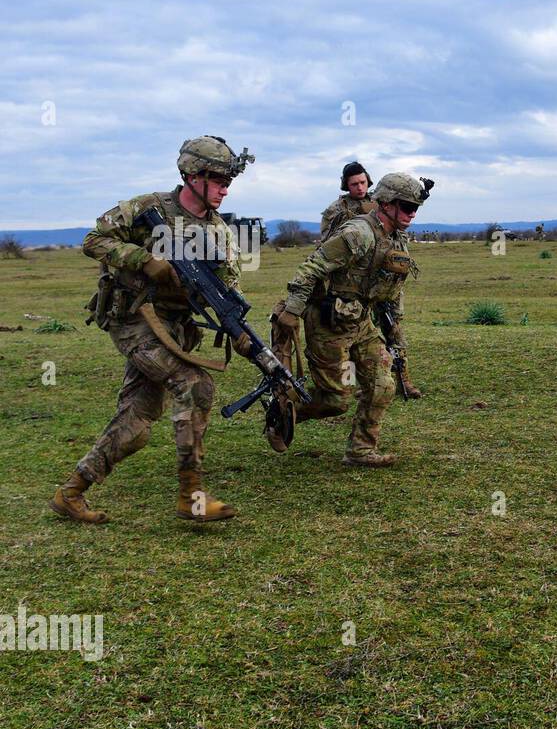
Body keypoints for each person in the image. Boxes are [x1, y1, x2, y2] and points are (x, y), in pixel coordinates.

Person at [51, 136, 257, 523]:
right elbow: (93, 239)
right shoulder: (148, 207)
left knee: (138, 419)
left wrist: (241, 333)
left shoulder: (220, 233)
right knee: (194, 384)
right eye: (218, 179)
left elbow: (229, 288)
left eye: (229, 181)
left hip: (173, 329)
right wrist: (143, 259)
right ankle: (191, 497)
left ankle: (71, 492)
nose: (225, 188)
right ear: (191, 175)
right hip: (134, 319)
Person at [269, 173, 430, 465]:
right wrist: (292, 310)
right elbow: (311, 268)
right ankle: (284, 412)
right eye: (406, 206)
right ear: (385, 203)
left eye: (415, 207)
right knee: (335, 401)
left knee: (383, 385)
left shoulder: (396, 238)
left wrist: (394, 326)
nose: (412, 213)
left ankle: (360, 450)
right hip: (329, 323)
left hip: (362, 322)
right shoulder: (357, 233)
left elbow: (391, 286)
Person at [320, 161, 376, 241]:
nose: (360, 188)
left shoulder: (379, 202)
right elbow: (328, 241)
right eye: (354, 184)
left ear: (368, 181)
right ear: (347, 185)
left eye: (363, 182)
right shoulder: (336, 209)